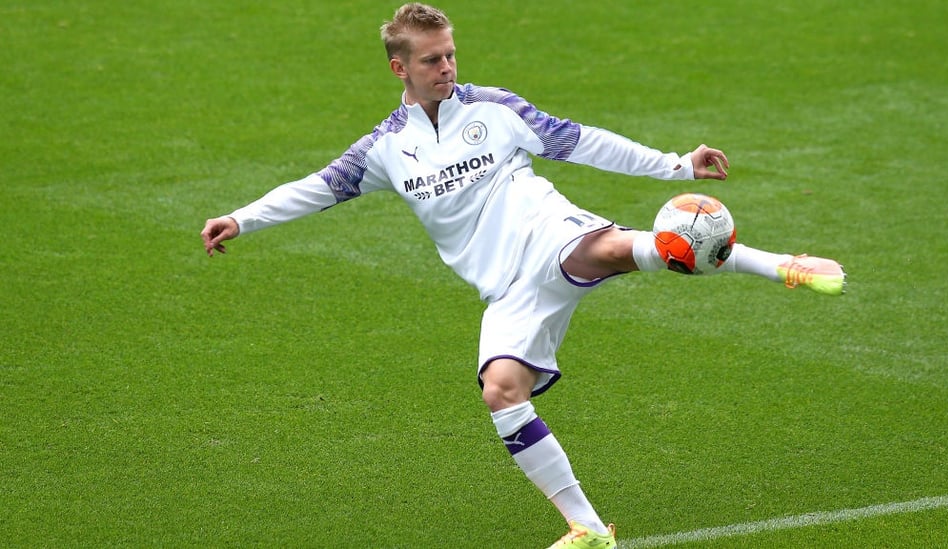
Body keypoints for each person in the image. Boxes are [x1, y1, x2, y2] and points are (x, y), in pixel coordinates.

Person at [200, 3, 846, 547]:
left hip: (550, 234)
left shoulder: (494, 109)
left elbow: (581, 140)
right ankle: (590, 529)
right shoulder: (386, 150)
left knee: (619, 249)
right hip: (505, 288)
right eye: (431, 60)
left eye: (450, 54)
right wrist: (243, 218)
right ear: (400, 68)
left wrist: (676, 166)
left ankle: (782, 265)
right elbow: (318, 187)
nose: (447, 67)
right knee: (501, 390)